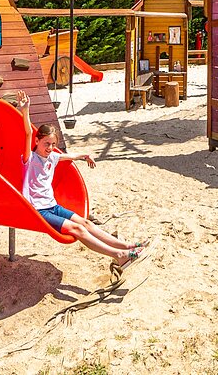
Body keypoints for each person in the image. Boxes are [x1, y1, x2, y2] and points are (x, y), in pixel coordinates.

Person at [16, 92, 149, 274]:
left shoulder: (52, 156)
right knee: (76, 228)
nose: (49, 148)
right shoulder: (29, 159)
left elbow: (66, 155)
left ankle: (126, 245)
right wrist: (25, 110)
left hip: (52, 206)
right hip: (37, 210)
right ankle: (119, 255)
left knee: (86, 223)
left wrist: (83, 155)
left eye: (52, 144)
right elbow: (28, 132)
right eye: (46, 143)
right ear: (37, 141)